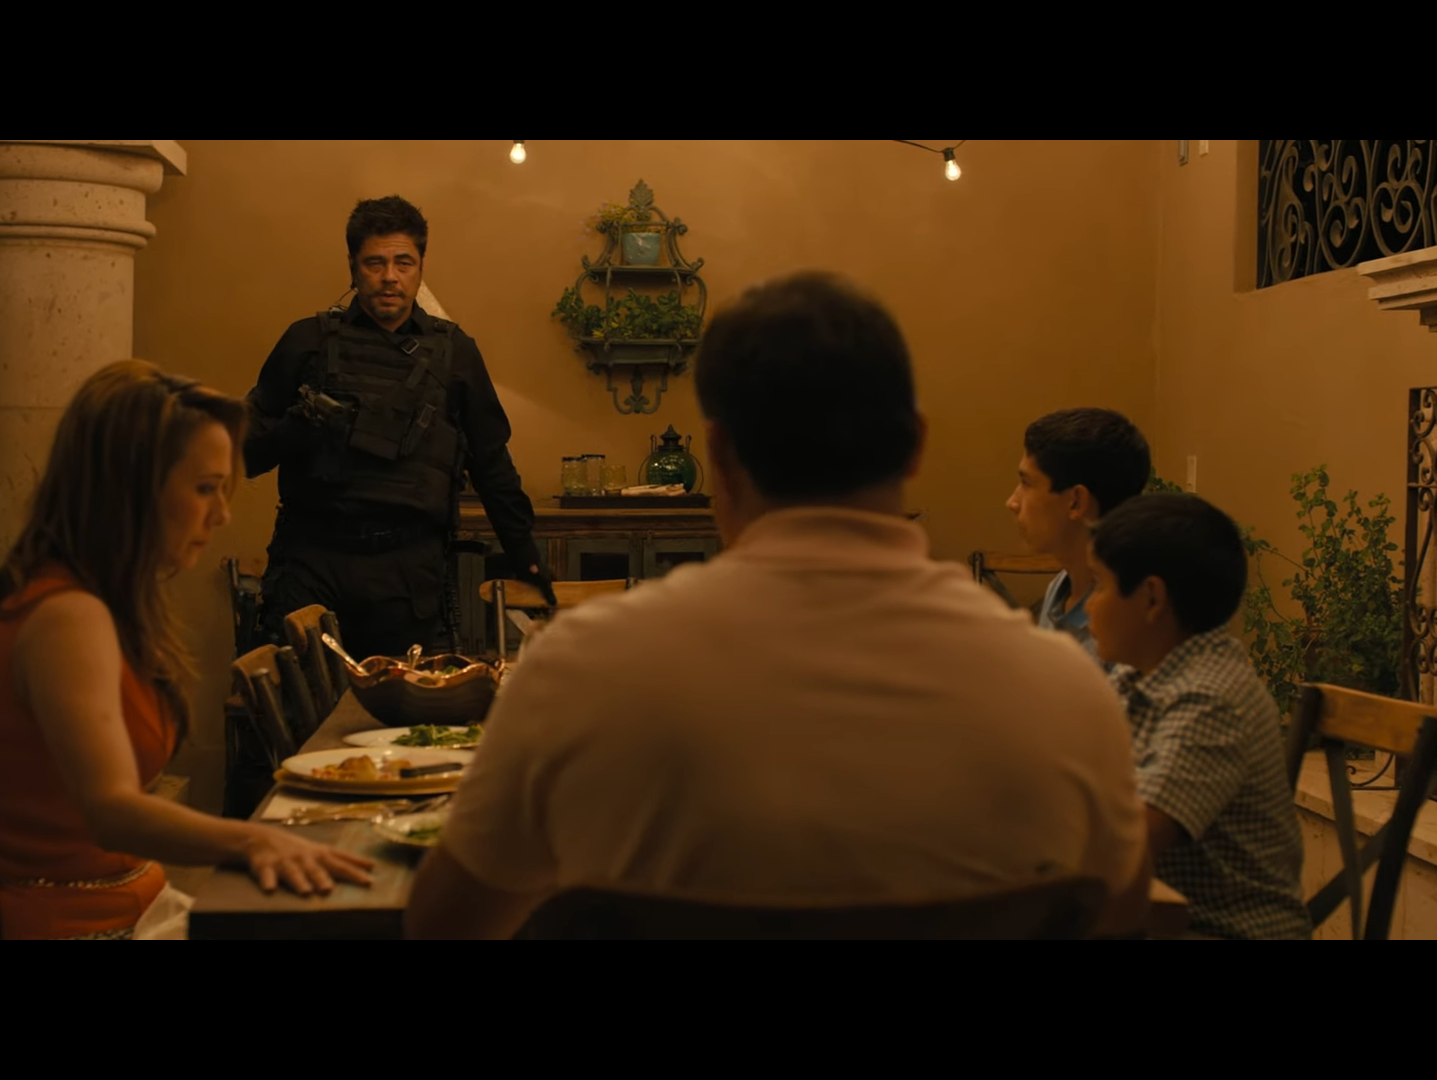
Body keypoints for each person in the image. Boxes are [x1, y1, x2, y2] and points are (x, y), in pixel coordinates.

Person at [405, 272, 1149, 940]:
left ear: (720, 457)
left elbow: (442, 925)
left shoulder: (577, 668)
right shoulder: (1069, 693)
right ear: (916, 445)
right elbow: (1123, 917)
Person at [0, 360, 374, 940]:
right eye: (204, 489)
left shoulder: (97, 599)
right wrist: (253, 838)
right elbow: (111, 811)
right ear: (129, 488)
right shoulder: (66, 616)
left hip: (141, 906)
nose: (221, 514)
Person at [242, 195, 552, 661]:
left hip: (407, 572)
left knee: (403, 700)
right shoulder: (306, 342)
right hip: (313, 560)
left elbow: (492, 466)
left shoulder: (456, 353)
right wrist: (297, 429)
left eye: (403, 263)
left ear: (421, 267)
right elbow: (245, 456)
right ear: (353, 267)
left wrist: (526, 556)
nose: (390, 276)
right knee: (304, 699)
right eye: (376, 263)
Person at [1085, 493, 1311, 939]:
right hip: (1158, 918)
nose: (1090, 605)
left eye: (1099, 586)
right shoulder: (1138, 676)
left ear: (1152, 598)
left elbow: (1134, 837)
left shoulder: (1212, 697)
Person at [1005, 408, 1151, 661]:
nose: (1012, 502)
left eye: (1027, 483)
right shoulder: (1061, 588)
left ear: (1076, 501)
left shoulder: (1128, 624)